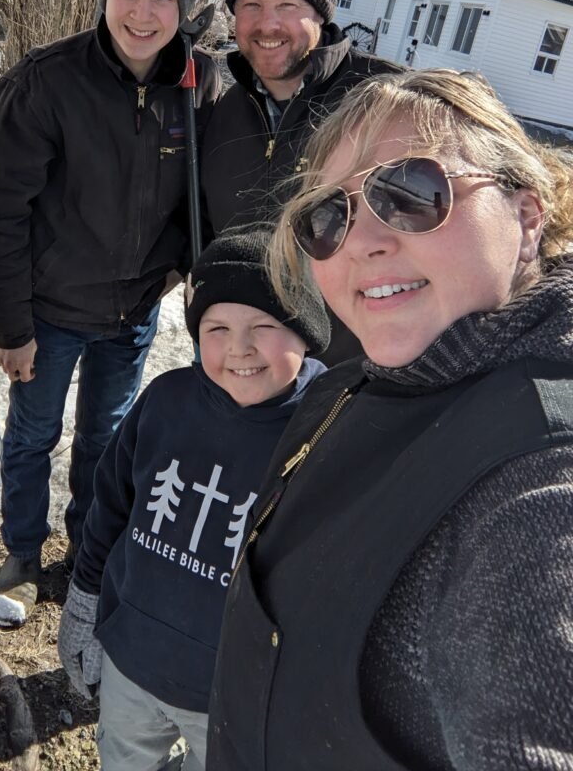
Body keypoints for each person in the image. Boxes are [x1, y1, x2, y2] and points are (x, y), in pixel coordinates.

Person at [207, 69, 573, 771]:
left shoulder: (537, 489)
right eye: (327, 218)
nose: (361, 242)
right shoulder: (369, 379)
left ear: (526, 218)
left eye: (410, 194)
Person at [0, 0, 221, 627]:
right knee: (31, 436)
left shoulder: (197, 88)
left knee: (106, 442)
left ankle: (90, 551)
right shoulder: (47, 82)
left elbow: (207, 194)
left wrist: (174, 271)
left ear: (184, 7)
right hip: (46, 313)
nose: (144, 13)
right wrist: (9, 324)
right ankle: (22, 552)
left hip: (133, 313)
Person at [56, 230, 330, 770]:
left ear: (306, 331)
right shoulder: (165, 401)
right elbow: (108, 506)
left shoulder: (325, 432)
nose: (239, 348)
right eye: (217, 328)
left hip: (235, 696)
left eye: (265, 327)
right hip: (132, 661)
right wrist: (85, 601)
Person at [200, 0, 402, 364]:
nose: (267, 24)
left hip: (340, 370)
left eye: (287, 4)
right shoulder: (225, 110)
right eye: (250, 4)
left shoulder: (383, 101)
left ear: (320, 12)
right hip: (237, 361)